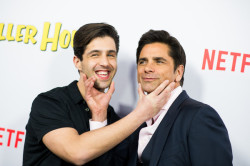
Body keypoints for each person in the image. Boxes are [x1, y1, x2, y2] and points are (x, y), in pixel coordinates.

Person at [23, 23, 175, 166]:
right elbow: (76, 152)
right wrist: (142, 113)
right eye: (95, 55)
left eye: (111, 55)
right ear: (77, 62)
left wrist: (99, 121)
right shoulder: (50, 103)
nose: (105, 62)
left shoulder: (114, 120)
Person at [126, 30, 233, 166]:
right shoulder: (136, 120)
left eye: (159, 61)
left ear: (178, 72)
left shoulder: (200, 117)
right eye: (142, 62)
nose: (147, 68)